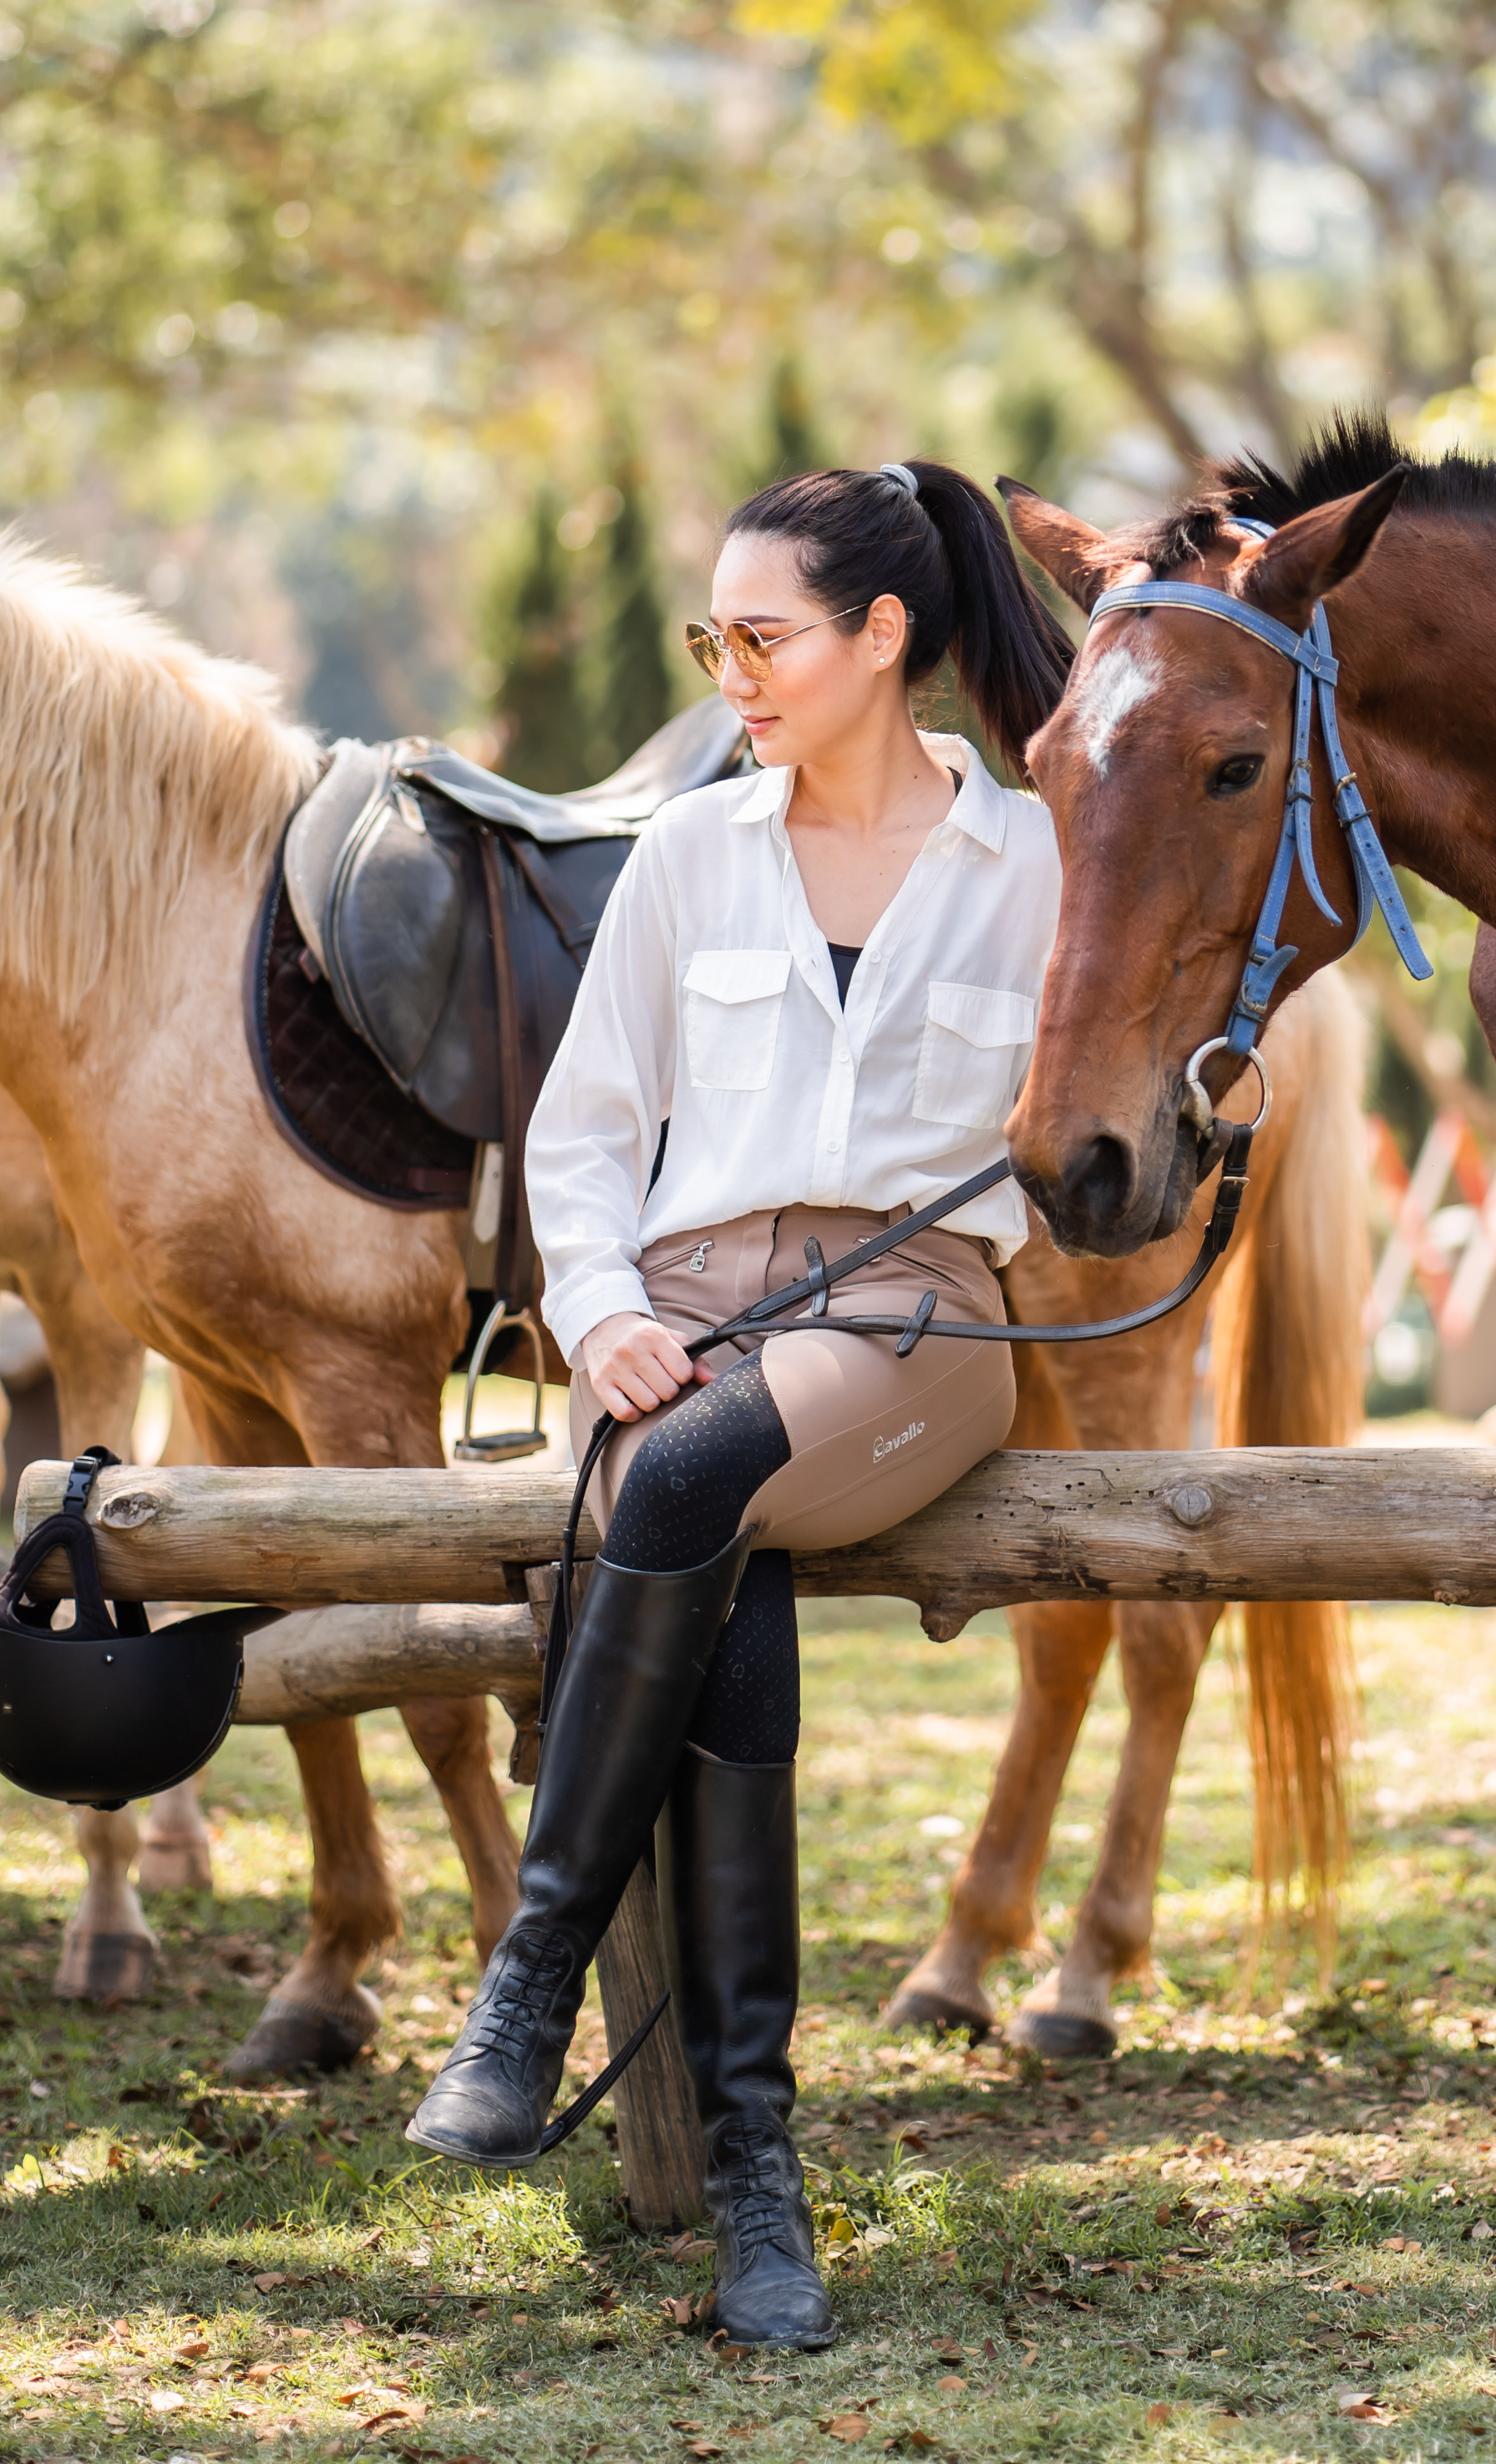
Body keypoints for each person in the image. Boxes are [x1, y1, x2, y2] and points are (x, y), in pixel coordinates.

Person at [407, 460, 1071, 2348]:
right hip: (686, 1312)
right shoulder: (695, 847)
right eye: (716, 635)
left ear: (883, 638)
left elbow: (1113, 1099)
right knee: (714, 1554)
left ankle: (531, 1974)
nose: (729, 670)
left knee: (682, 1482)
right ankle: (758, 2181)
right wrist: (599, 1309)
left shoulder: (1027, 857)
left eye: (761, 634)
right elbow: (591, 1127)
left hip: (911, 1317)